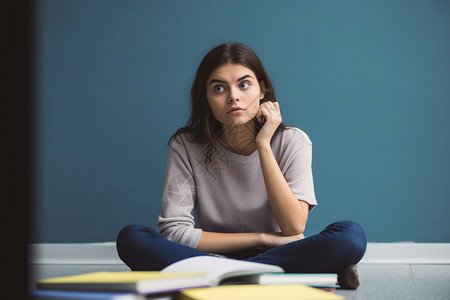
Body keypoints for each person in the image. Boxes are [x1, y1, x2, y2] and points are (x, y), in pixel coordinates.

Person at [116, 43, 367, 289]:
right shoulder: (185, 145)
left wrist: (264, 145)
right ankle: (262, 275)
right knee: (132, 238)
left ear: (262, 91)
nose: (233, 96)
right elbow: (174, 231)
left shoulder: (293, 141)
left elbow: (293, 226)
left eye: (244, 84)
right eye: (218, 88)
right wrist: (263, 238)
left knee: (350, 236)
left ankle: (225, 277)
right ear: (206, 98)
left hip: (256, 257)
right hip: (215, 254)